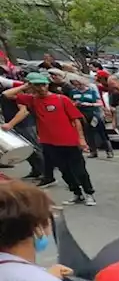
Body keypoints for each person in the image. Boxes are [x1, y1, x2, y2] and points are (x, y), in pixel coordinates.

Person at [3, 73, 95, 206]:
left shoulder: (62, 99)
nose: (41, 88)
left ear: (47, 85)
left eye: (43, 85)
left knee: (79, 169)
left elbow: (76, 119)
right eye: (37, 85)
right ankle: (77, 193)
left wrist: (81, 139)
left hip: (69, 141)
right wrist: (26, 85)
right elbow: (7, 95)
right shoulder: (32, 100)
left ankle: (89, 193)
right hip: (49, 142)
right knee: (64, 170)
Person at [0, 75, 46, 182]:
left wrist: (10, 124)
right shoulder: (11, 92)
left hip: (25, 124)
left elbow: (24, 111)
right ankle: (36, 170)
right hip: (17, 124)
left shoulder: (20, 93)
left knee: (35, 149)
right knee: (27, 151)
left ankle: (46, 173)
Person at [67, 77, 111, 159]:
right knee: (88, 133)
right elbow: (71, 102)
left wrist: (88, 104)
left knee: (100, 131)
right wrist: (75, 104)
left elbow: (99, 103)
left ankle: (108, 150)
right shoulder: (73, 92)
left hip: (93, 113)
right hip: (81, 114)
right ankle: (93, 151)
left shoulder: (91, 91)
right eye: (75, 84)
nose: (77, 86)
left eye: (78, 84)